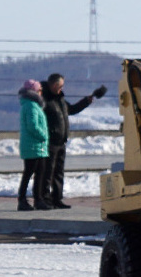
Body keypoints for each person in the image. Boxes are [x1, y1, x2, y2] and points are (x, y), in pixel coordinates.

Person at [40, 73, 109, 209]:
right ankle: (45, 198)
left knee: (58, 172)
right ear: (54, 85)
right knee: (48, 172)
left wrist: (86, 101)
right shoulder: (44, 100)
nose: (61, 88)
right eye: (60, 86)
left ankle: (57, 199)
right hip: (50, 141)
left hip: (61, 141)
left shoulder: (60, 99)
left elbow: (71, 110)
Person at [16, 80, 51, 211]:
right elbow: (33, 126)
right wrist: (44, 136)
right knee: (30, 173)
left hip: (37, 146)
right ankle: (24, 200)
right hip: (34, 145)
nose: (41, 92)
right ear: (34, 92)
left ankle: (38, 199)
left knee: (39, 173)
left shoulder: (31, 105)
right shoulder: (31, 106)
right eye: (40, 90)